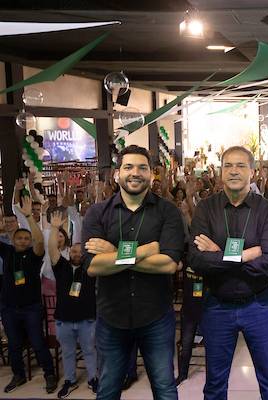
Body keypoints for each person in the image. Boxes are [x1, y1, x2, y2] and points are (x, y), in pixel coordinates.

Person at [82, 145, 185, 400]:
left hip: (156, 317)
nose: (135, 173)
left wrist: (113, 253)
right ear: (117, 174)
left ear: (152, 174)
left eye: (142, 167)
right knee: (107, 390)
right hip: (111, 317)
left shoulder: (168, 212)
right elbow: (93, 267)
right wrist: (147, 250)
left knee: (165, 389)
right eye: (128, 167)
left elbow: (169, 264)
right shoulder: (98, 213)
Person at [188, 146, 268, 400]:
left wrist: (218, 254)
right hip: (217, 305)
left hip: (258, 304)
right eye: (228, 165)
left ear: (252, 172)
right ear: (220, 172)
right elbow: (196, 259)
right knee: (215, 384)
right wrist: (246, 255)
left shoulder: (265, 210)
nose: (234, 171)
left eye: (240, 166)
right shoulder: (206, 209)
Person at [0, 196, 58, 394]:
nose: (23, 240)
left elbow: (39, 240)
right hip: (8, 308)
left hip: (31, 308)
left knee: (37, 342)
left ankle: (50, 374)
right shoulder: (7, 252)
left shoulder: (34, 255)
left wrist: (28, 217)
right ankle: (18, 375)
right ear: (13, 239)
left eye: (26, 238)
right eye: (20, 238)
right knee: (14, 345)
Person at [48, 211, 98, 398]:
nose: (77, 254)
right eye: (74, 251)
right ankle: (70, 380)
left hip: (87, 320)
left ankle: (93, 378)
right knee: (67, 353)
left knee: (90, 351)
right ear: (69, 252)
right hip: (64, 320)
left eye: (80, 251)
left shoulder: (91, 268)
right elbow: (52, 249)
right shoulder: (61, 266)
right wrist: (54, 229)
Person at [176, 266, 204, 386]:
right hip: (188, 309)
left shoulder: (209, 260)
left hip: (207, 310)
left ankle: (214, 375)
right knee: (186, 345)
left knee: (214, 345)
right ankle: (182, 374)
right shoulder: (187, 255)